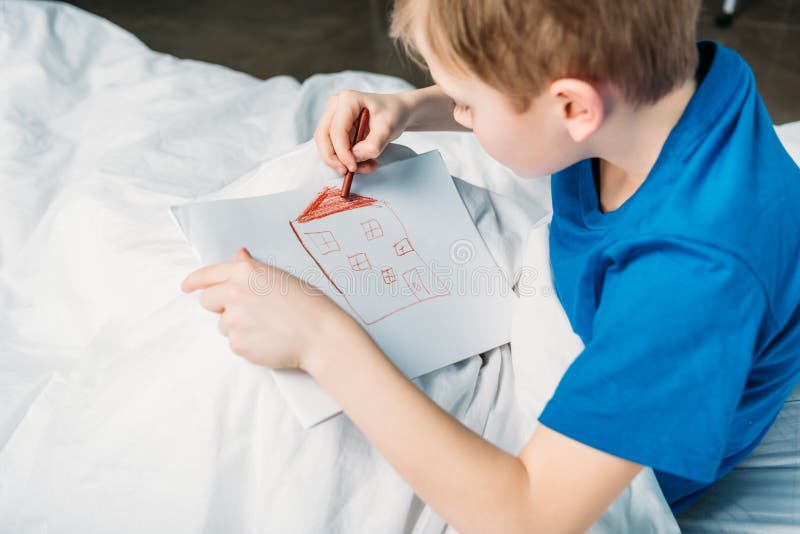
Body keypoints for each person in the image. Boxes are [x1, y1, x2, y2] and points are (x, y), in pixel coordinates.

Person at [180, 0, 800, 530]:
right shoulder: (671, 81)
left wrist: (321, 340)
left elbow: (531, 516)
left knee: (285, 444)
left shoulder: (688, 283)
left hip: (591, 461)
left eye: (469, 102)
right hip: (570, 298)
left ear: (575, 109)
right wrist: (413, 108)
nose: (461, 112)